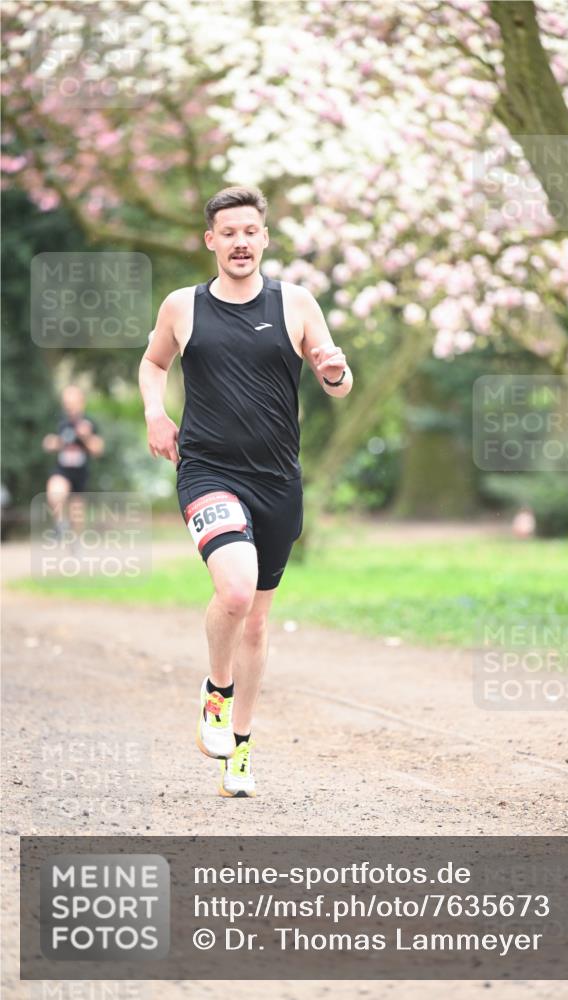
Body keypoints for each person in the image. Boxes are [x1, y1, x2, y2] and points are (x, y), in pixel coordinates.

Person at [138, 186, 353, 797]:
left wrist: (335, 371)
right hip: (206, 469)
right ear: (211, 240)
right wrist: (155, 412)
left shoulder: (297, 303)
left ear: (264, 238)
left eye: (249, 231)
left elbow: (335, 378)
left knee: (257, 624)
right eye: (227, 232)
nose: (239, 242)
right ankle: (216, 689)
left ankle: (240, 744)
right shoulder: (184, 306)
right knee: (232, 590)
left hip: (278, 479)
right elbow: (153, 363)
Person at [42, 385, 105, 540]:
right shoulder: (60, 422)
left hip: (80, 473)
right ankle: (60, 525)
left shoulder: (89, 422)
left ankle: (75, 546)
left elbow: (98, 449)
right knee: (55, 492)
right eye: (66, 403)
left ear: (81, 402)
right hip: (62, 470)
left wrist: (86, 437)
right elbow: (47, 442)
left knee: (77, 515)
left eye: (72, 402)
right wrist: (53, 443)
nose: (69, 406)